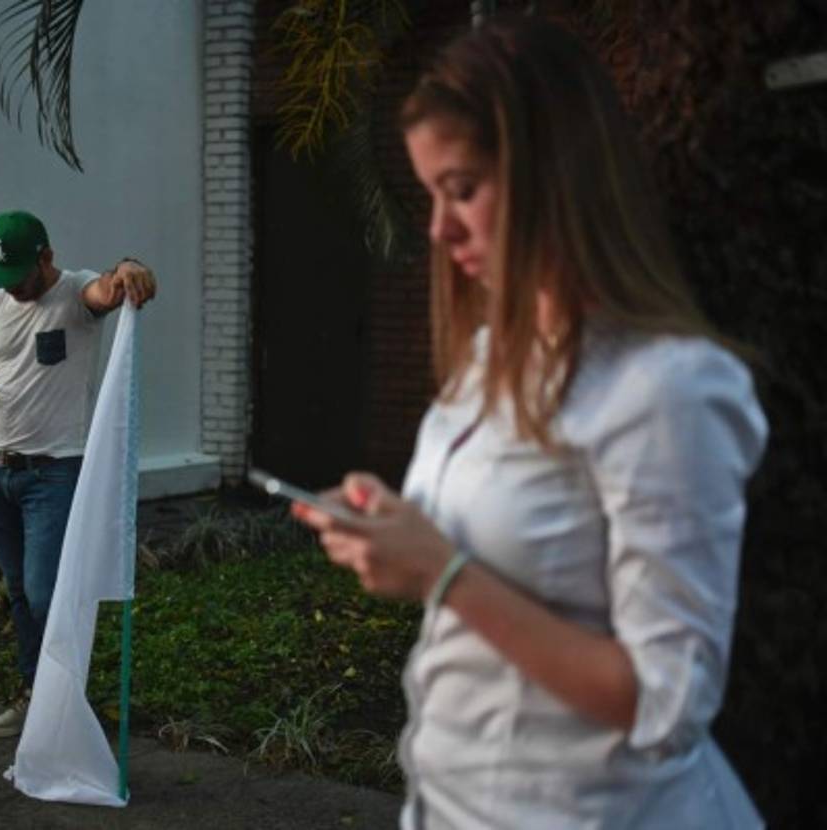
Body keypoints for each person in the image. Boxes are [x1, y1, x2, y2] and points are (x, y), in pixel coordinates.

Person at [293, 16, 767, 829]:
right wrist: (396, 525)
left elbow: (666, 701)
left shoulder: (666, 391)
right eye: (428, 193)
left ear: (558, 176)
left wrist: (443, 574)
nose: (438, 231)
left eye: (463, 188)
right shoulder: (488, 365)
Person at [0, 210, 156, 739]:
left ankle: (64, 700)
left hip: (54, 472)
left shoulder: (75, 292)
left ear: (46, 258)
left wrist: (128, 267)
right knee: (19, 590)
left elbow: (108, 292)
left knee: (47, 592)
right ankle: (33, 698)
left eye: (19, 275)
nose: (10, 289)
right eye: (1, 278)